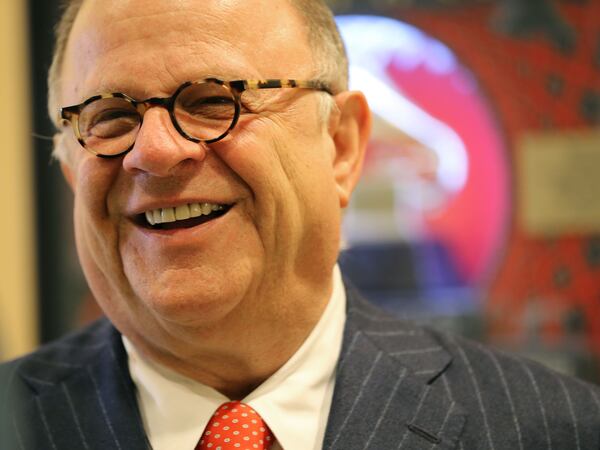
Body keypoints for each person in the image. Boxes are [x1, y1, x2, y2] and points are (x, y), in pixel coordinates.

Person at [1, 0, 599, 448]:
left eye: (213, 101)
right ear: (72, 169)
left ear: (340, 147)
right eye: (109, 116)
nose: (154, 151)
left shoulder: (553, 429)